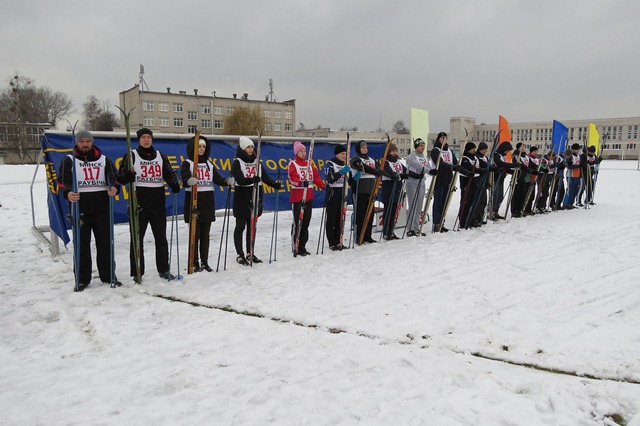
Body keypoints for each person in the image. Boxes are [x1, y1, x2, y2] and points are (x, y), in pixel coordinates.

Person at [58, 130, 121, 291]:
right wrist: (68, 193)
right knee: (81, 247)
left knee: (106, 245)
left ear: (92, 142)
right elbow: (62, 182)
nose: (85, 144)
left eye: (88, 141)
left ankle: (108, 275)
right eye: (82, 142)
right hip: (80, 209)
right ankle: (81, 279)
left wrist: (114, 189)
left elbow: (114, 179)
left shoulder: (104, 160)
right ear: (77, 143)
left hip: (102, 209)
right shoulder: (69, 161)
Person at [117, 127, 181, 282]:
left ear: (152, 139)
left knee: (161, 238)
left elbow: (168, 174)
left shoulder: (160, 156)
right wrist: (128, 175)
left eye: (149, 137)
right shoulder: (131, 155)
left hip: (158, 204)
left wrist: (174, 184)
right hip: (139, 204)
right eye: (143, 137)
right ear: (139, 139)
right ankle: (137, 271)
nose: (146, 140)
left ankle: (164, 269)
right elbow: (121, 178)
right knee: (137, 239)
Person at [181, 135, 233, 272]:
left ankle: (205, 261)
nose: (202, 149)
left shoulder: (209, 164)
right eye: (199, 146)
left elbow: (217, 178)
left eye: (204, 146)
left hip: (207, 201)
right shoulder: (188, 163)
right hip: (194, 201)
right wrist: (189, 180)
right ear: (193, 147)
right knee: (195, 233)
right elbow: (184, 177)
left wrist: (226, 181)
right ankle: (194, 261)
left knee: (205, 235)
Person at [231, 136, 281, 265]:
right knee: (240, 226)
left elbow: (265, 177)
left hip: (256, 198)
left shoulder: (257, 162)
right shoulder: (237, 162)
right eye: (248, 147)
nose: (250, 149)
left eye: (252, 147)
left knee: (252, 227)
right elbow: (240, 179)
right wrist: (251, 180)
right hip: (242, 199)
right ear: (243, 148)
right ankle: (239, 254)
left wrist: (274, 184)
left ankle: (250, 252)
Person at [288, 141, 326, 256]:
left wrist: (324, 186)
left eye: (305, 151)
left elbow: (317, 178)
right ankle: (296, 245)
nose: (303, 153)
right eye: (301, 151)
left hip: (308, 197)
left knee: (305, 223)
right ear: (296, 153)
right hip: (298, 197)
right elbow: (292, 178)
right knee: (297, 223)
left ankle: (303, 246)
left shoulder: (310, 165)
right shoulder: (293, 164)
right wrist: (300, 183)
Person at [350, 140, 384, 244]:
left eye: (366, 148)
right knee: (360, 215)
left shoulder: (371, 160)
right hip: (360, 190)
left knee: (370, 215)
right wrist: (375, 171)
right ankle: (359, 237)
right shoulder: (355, 159)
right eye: (363, 147)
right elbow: (362, 167)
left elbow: (379, 169)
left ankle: (367, 236)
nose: (365, 149)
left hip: (371, 190)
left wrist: (381, 171)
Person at [404, 138, 436, 236]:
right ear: (416, 146)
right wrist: (429, 171)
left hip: (421, 183)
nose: (422, 147)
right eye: (420, 146)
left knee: (419, 207)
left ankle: (416, 228)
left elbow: (429, 168)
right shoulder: (410, 157)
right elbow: (418, 166)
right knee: (412, 206)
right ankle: (410, 228)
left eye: (423, 145)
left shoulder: (425, 157)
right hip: (412, 183)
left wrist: (434, 171)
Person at [324, 144, 351, 250]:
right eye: (342, 154)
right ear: (337, 154)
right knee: (331, 220)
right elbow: (330, 179)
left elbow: (350, 180)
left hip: (343, 194)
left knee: (340, 219)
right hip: (333, 194)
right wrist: (340, 173)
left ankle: (338, 240)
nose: (344, 156)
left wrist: (355, 177)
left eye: (345, 154)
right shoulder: (330, 164)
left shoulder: (346, 165)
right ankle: (332, 242)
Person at [430, 132, 458, 232]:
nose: (444, 140)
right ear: (438, 139)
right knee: (438, 202)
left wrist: (458, 166)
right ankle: (436, 223)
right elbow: (440, 163)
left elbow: (455, 162)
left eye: (445, 138)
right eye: (442, 138)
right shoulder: (435, 150)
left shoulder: (449, 150)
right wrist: (451, 166)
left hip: (448, 179)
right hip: (439, 179)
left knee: (445, 202)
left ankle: (442, 222)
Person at [381, 143, 407, 240]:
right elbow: (386, 171)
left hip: (397, 187)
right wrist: (393, 175)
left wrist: (411, 174)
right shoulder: (385, 161)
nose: (395, 152)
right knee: (388, 210)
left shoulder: (398, 161)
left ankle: (391, 231)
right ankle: (386, 232)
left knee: (394, 211)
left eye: (396, 151)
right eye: (393, 151)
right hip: (389, 187)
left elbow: (404, 170)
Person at [490, 141, 516, 220]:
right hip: (495, 178)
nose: (507, 152)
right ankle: (491, 212)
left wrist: (513, 172)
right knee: (496, 196)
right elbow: (500, 164)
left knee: (500, 196)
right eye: (507, 150)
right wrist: (513, 165)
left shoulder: (503, 156)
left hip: (501, 178)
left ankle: (496, 211)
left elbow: (505, 167)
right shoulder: (496, 155)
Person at [563, 143, 586, 209]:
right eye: (576, 149)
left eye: (578, 149)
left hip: (577, 175)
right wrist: (579, 166)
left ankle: (571, 203)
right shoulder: (571, 156)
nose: (578, 150)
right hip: (570, 175)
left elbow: (580, 163)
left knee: (575, 190)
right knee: (570, 190)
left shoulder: (578, 156)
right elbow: (569, 166)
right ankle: (566, 203)